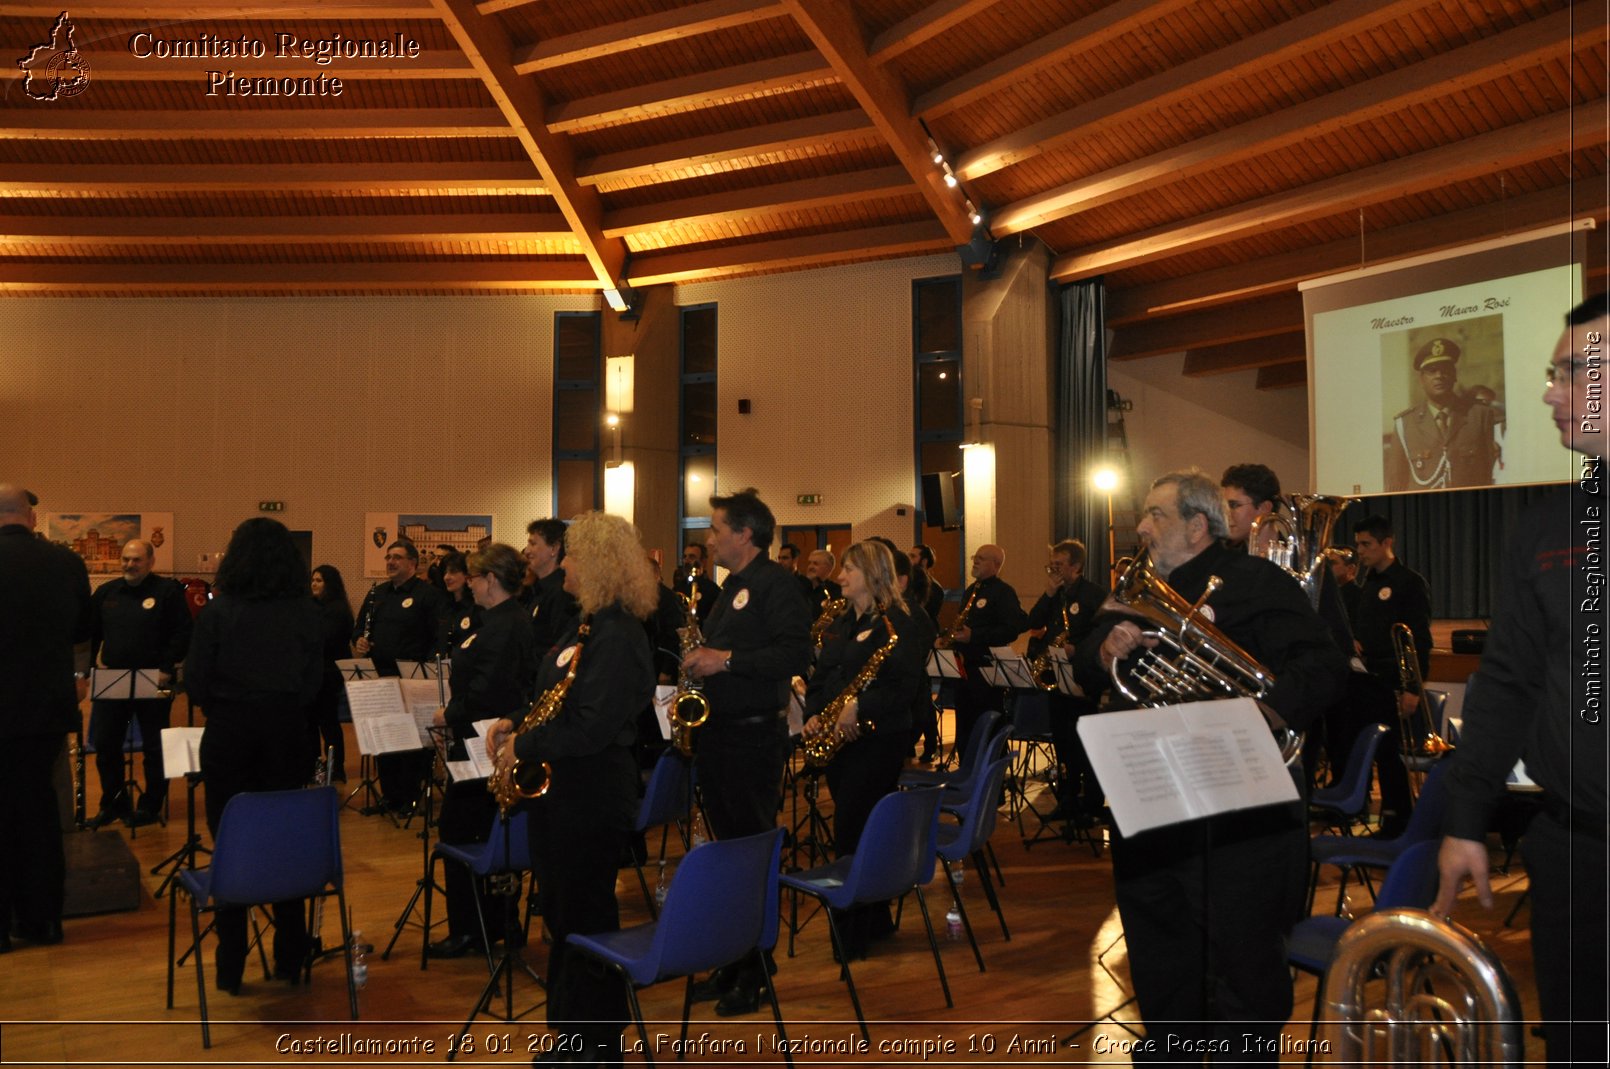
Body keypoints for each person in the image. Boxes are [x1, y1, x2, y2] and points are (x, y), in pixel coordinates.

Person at [1074, 469, 1347, 1061]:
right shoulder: (1134, 588)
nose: (1142, 527)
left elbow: (1323, 665)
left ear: (1199, 526)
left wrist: (1266, 713)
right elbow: (1083, 665)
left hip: (1238, 813)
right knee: (1157, 945)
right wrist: (1105, 648)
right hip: (1151, 800)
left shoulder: (1256, 582)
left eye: (1156, 515)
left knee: (1243, 956)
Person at [1432, 293, 1607, 1066]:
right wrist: (1467, 818)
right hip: (1577, 859)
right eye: (1551, 371)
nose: (1548, 391)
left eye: (1574, 372)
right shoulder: (1546, 528)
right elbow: (1506, 681)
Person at [486, 512, 657, 1066]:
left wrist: (526, 749)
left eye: (576, 556)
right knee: (565, 916)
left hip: (590, 797)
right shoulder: (585, 625)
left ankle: (593, 1045)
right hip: (564, 796)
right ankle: (572, 1036)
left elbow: (591, 725)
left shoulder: (621, 634)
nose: (567, 566)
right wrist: (516, 720)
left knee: (584, 919)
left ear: (602, 565)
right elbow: (554, 697)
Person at [679, 488, 811, 1016]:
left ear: (744, 533)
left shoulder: (778, 585)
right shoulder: (730, 586)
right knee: (729, 851)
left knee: (750, 853)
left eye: (715, 530)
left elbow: (795, 652)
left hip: (753, 738)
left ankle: (754, 969)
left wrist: (724, 660)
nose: (708, 540)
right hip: (722, 735)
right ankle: (738, 958)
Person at [186, 517, 324, 993]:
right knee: (285, 839)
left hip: (229, 735)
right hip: (287, 733)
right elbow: (313, 683)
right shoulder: (306, 611)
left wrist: (226, 704)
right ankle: (290, 950)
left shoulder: (220, 612)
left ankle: (230, 962)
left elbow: (196, 680)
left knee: (230, 840)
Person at [804, 540, 932, 958]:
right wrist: (816, 713)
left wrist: (860, 705)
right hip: (840, 740)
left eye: (850, 570)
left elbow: (904, 687)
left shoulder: (901, 622)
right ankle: (875, 920)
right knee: (857, 827)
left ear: (873, 576)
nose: (840, 576)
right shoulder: (842, 619)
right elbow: (823, 674)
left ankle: (851, 933)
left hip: (879, 738)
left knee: (851, 831)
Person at [427, 543, 535, 959]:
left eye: (473, 576)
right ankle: (501, 920)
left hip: (480, 741)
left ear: (491, 580)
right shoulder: (503, 621)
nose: (469, 583)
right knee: (493, 828)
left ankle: (472, 929)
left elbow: (487, 690)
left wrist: (448, 713)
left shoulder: (504, 625)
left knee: (460, 831)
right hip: (484, 737)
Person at [0, 484, 91, 952]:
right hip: (44, 710)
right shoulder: (64, 562)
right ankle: (44, 922)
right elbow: (84, 632)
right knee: (38, 813)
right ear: (31, 518)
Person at [86, 538, 192, 827]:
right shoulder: (107, 592)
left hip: (153, 679)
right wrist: (87, 670)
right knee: (107, 744)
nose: (129, 565)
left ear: (150, 562)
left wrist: (167, 668)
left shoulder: (167, 592)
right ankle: (113, 804)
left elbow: (183, 633)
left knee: (155, 747)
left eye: (136, 560)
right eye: (125, 559)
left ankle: (150, 806)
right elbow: (93, 634)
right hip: (112, 680)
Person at [1347, 514, 1428, 836]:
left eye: (1366, 544)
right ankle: (1388, 817)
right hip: (1371, 677)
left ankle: (1400, 820)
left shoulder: (1409, 583)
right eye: (1358, 544)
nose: (1360, 551)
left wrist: (1412, 688)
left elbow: (1419, 640)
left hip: (1396, 679)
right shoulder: (1369, 583)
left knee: (1393, 753)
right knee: (1378, 751)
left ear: (1386, 543)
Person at [351, 538, 446, 814]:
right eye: (388, 557)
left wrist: (426, 672)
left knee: (411, 742)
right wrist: (359, 641)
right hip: (380, 678)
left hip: (412, 679)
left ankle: (410, 797)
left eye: (397, 557)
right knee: (385, 739)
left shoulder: (428, 595)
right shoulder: (376, 594)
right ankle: (390, 796)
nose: (390, 562)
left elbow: (438, 638)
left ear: (413, 564)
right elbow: (358, 630)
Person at [1024, 539, 1108, 821]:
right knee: (1063, 741)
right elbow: (1033, 623)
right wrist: (1048, 593)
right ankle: (1068, 797)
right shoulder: (1056, 594)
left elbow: (1104, 635)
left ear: (1076, 566)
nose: (1054, 570)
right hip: (1056, 676)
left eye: (1058, 565)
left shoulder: (1094, 594)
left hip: (1085, 679)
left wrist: (1078, 649)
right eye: (1052, 565)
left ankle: (1092, 803)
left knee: (1087, 743)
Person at [1383, 336, 1502, 491]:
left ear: (1454, 376)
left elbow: (1491, 472)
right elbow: (1395, 483)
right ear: (1421, 379)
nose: (1439, 375)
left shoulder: (1480, 416)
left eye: (1445, 370)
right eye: (1432, 371)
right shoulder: (1405, 424)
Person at [947, 543, 1028, 755]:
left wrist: (975, 636)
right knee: (965, 728)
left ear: (996, 564)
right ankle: (966, 778)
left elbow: (1011, 630)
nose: (975, 561)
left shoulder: (1004, 592)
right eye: (975, 556)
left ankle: (993, 781)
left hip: (987, 672)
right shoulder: (970, 591)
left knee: (989, 728)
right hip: (964, 672)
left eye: (981, 558)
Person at [309, 564, 354, 782]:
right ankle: (314, 763)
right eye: (313, 580)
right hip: (316, 673)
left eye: (319, 580)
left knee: (328, 722)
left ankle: (336, 768)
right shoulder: (315, 607)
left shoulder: (337, 609)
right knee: (313, 721)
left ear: (330, 584)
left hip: (328, 674)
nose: (314, 584)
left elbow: (325, 640)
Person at [907, 544, 945, 763]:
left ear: (924, 561)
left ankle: (931, 743)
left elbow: (926, 616)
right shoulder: (910, 585)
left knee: (924, 698)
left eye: (913, 556)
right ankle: (911, 744)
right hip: (915, 643)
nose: (909, 558)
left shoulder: (934, 589)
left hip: (923, 645)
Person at [523, 518, 579, 656]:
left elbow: (557, 647)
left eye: (533, 543)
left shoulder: (562, 592)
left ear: (554, 548)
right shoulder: (536, 590)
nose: (526, 551)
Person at [1219, 463, 1282, 554]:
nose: (1225, 513)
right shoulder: (1223, 556)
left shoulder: (1298, 558)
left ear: (1264, 508)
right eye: (1224, 506)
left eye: (1234, 505)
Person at [672, 542, 719, 625]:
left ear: (703, 561)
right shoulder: (678, 588)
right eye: (685, 557)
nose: (687, 560)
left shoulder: (712, 590)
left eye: (692, 557)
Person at [803, 549, 842, 616]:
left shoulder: (836, 591)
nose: (810, 567)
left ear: (829, 568)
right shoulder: (799, 586)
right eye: (809, 563)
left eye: (815, 564)